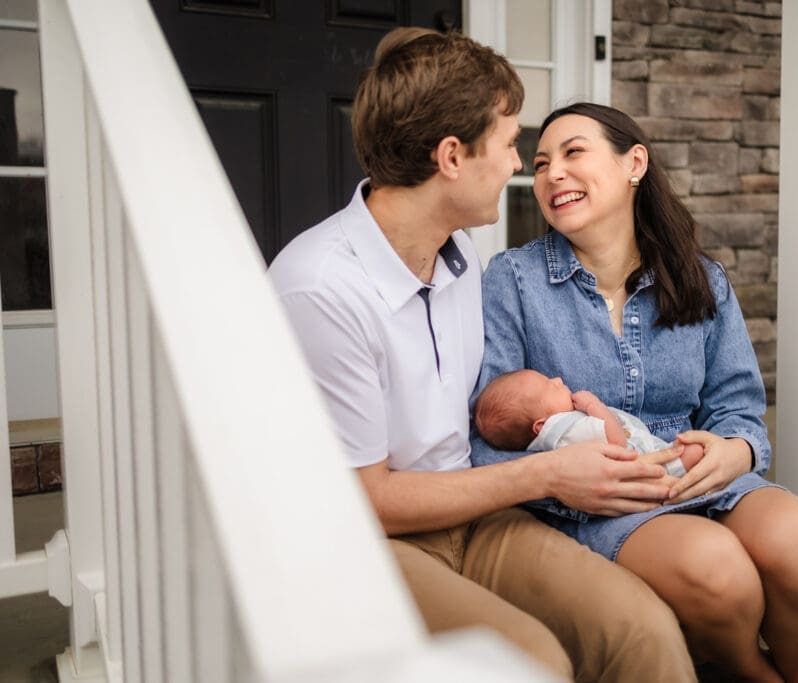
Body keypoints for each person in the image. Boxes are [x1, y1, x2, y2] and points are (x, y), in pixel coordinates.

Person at [268, 29, 697, 683]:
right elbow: (367, 499)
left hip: (475, 515)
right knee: (535, 663)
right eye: (507, 142)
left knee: (644, 632)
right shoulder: (322, 285)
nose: (519, 162)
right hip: (362, 542)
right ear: (450, 157)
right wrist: (549, 473)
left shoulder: (462, 258)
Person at [470, 102, 798, 682]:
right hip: (599, 501)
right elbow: (490, 429)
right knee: (720, 572)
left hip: (699, 475)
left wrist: (735, 453)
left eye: (573, 153)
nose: (551, 175)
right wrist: (570, 476)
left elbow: (737, 411)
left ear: (634, 164)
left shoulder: (703, 279)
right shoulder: (513, 280)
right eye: (541, 163)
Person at [475, 369, 704, 478]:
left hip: (645, 459)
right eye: (550, 386)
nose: (557, 380)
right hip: (644, 466)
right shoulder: (566, 430)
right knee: (695, 451)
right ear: (540, 425)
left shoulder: (555, 433)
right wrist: (594, 406)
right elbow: (617, 443)